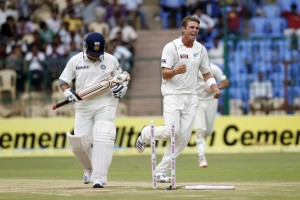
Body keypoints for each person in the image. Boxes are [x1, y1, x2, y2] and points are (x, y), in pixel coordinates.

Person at [135, 16, 220, 182]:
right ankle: (146, 133)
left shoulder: (201, 49)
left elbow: (207, 73)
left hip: (191, 97)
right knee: (170, 132)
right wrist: (175, 71)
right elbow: (164, 72)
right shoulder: (171, 47)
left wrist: (214, 87)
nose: (195, 30)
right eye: (192, 27)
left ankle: (160, 171)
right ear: (183, 29)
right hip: (173, 95)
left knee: (184, 139)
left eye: (197, 28)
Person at [58, 32, 130, 188]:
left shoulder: (111, 60)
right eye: (92, 53)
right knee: (79, 143)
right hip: (83, 105)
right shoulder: (75, 60)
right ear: (85, 47)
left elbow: (122, 78)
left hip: (106, 102)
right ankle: (89, 168)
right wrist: (68, 93)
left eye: (98, 53)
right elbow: (63, 80)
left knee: (102, 135)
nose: (95, 57)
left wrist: (122, 88)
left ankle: (99, 176)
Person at [194, 63, 229, 168]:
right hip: (197, 101)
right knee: (200, 129)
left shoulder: (213, 68)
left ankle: (202, 142)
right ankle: (201, 157)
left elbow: (225, 82)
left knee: (208, 131)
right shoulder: (192, 68)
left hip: (211, 101)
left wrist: (215, 88)